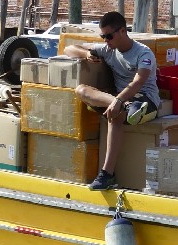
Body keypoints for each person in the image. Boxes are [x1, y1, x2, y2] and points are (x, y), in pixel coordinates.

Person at [63, 11, 162, 191]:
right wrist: (86, 54)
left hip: (145, 99)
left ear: (122, 31)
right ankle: (124, 106)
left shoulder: (144, 53)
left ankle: (107, 174)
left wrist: (118, 100)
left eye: (108, 36)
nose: (105, 40)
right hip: (122, 100)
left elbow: (138, 82)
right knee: (81, 90)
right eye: (103, 37)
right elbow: (68, 49)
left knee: (115, 115)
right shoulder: (107, 49)